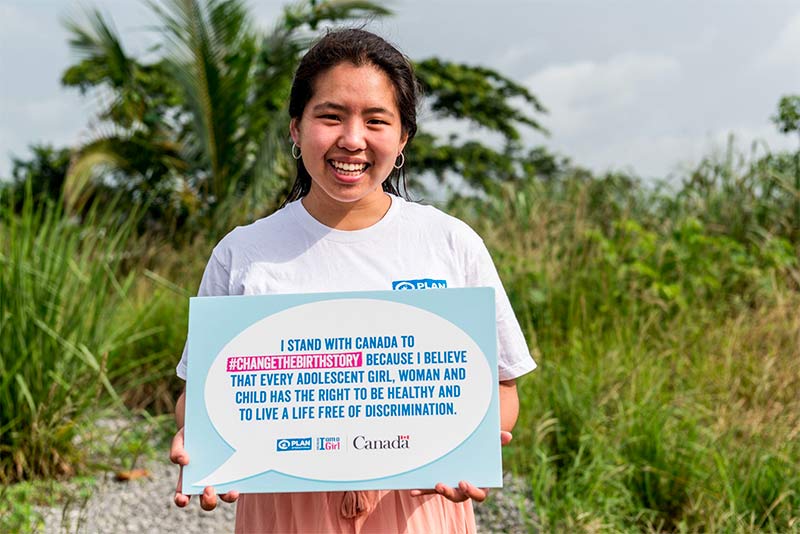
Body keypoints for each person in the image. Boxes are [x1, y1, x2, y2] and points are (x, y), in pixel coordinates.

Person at [170, 28, 536, 533]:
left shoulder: (450, 243)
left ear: (403, 136)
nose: (352, 140)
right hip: (283, 511)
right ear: (296, 128)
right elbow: (200, 393)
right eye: (331, 116)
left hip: (417, 507)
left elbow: (502, 385)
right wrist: (196, 438)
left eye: (376, 120)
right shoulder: (243, 253)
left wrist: (467, 450)